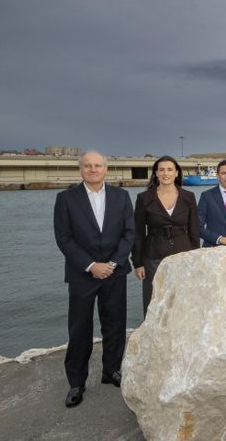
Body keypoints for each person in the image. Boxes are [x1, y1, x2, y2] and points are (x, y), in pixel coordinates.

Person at [53, 150, 134, 408]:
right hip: (82, 275)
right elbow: (64, 238)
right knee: (80, 329)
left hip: (114, 272)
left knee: (115, 325)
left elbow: (129, 234)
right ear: (81, 170)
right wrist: (91, 265)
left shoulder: (121, 197)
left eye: (97, 165)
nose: (92, 169)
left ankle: (111, 371)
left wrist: (111, 264)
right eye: (87, 165)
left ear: (105, 169)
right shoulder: (66, 199)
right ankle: (76, 383)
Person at [132, 156, 200, 316]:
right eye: (161, 169)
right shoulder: (144, 198)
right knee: (153, 302)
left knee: (182, 301)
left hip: (183, 256)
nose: (165, 173)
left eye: (170, 169)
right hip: (153, 257)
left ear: (177, 173)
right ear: (156, 173)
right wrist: (137, 263)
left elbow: (194, 230)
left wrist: (195, 259)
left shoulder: (188, 197)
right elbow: (138, 232)